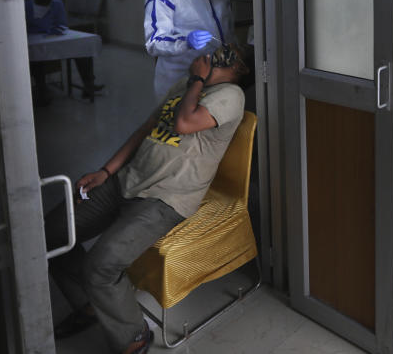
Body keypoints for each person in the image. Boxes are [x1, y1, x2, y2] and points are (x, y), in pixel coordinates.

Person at [45, 46, 248, 354]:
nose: (220, 51)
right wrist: (106, 170)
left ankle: (133, 337)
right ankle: (89, 305)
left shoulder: (231, 95)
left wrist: (197, 77)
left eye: (231, 53)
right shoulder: (186, 85)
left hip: (166, 200)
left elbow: (184, 123)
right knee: (51, 233)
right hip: (127, 180)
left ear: (240, 69)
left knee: (101, 265)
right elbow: (146, 129)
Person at [25, 0, 103, 104]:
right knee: (36, 57)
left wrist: (53, 30)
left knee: (81, 48)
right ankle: (41, 92)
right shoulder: (27, 6)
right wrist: (44, 28)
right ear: (35, 0)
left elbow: (62, 24)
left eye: (46, 4)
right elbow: (25, 27)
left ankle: (88, 85)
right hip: (35, 40)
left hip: (54, 38)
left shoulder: (57, 5)